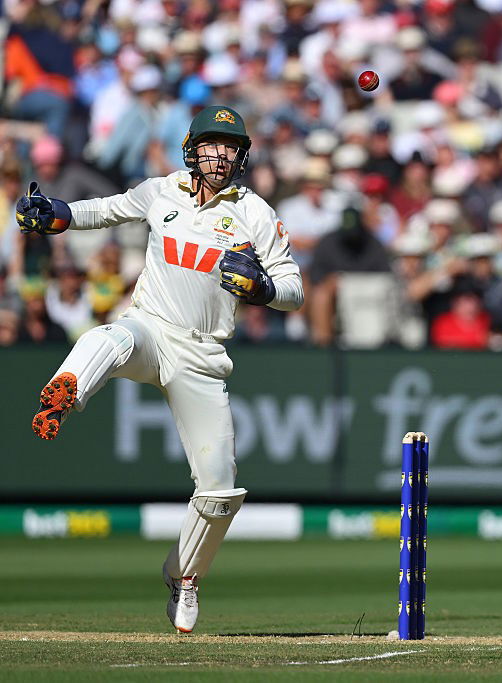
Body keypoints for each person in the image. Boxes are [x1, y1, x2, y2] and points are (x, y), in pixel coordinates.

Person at [15, 105, 302, 634]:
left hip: (202, 355)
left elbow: (293, 289)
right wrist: (55, 212)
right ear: (192, 148)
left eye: (231, 147)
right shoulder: (161, 191)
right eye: (212, 144)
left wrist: (263, 288)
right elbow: (103, 210)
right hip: (151, 326)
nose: (221, 155)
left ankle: (183, 576)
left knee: (219, 490)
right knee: (109, 336)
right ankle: (64, 392)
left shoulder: (256, 213)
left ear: (241, 156)